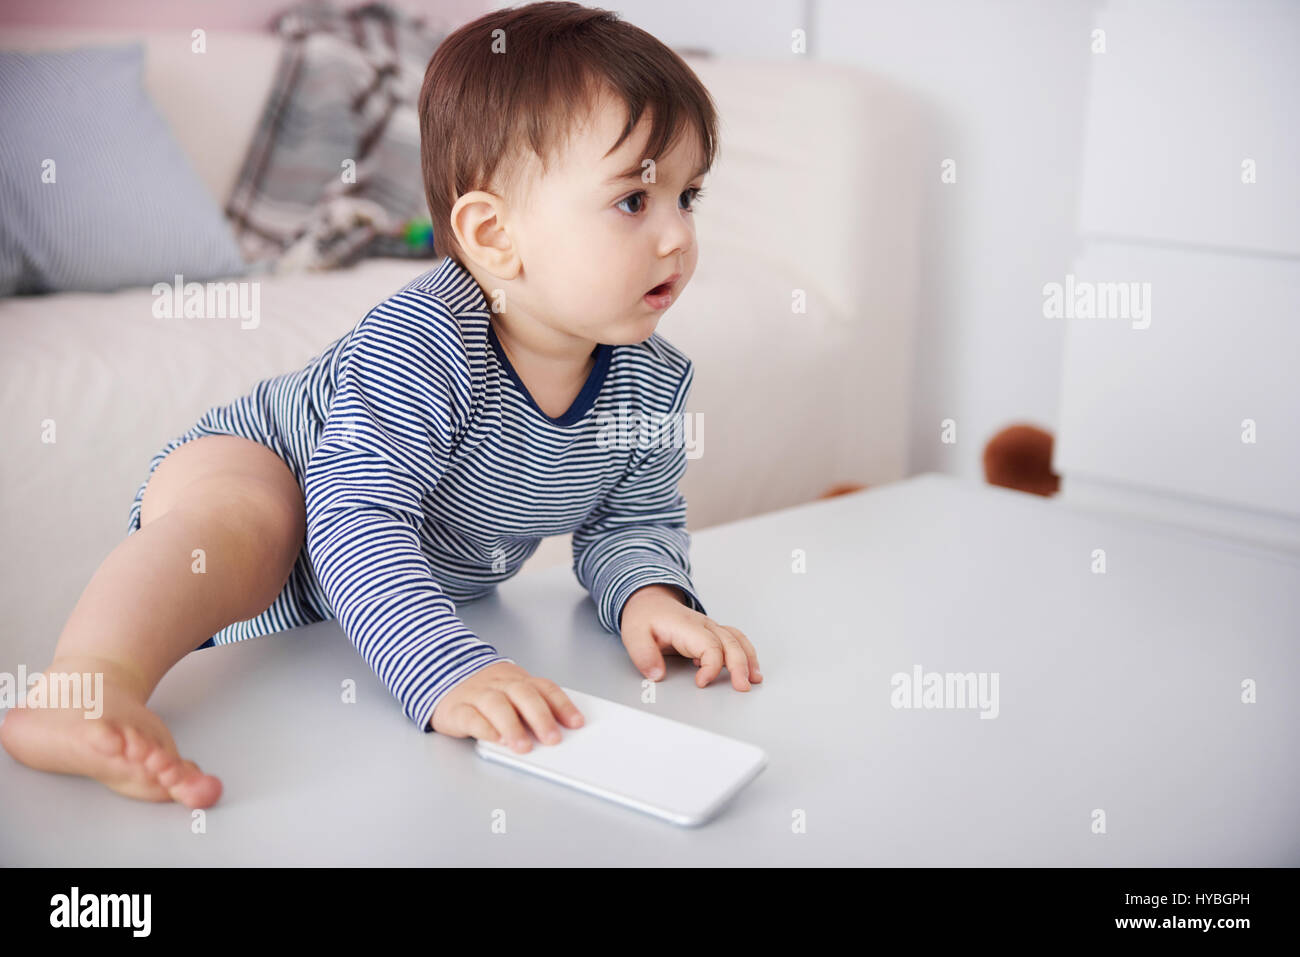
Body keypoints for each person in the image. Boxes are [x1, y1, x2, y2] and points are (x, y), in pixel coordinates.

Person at [0, 1, 762, 809]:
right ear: (495, 237)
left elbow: (631, 520)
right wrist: (446, 667)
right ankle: (84, 686)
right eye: (635, 202)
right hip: (280, 466)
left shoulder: (652, 381)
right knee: (249, 523)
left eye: (690, 197)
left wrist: (652, 596)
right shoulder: (429, 341)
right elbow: (352, 513)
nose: (678, 236)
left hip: (363, 588)